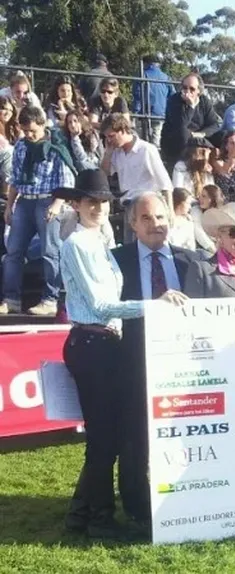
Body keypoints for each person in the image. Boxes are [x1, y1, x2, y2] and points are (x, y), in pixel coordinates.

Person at [59, 170, 187, 539]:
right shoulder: (77, 244)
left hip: (106, 344)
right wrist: (155, 305)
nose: (98, 207)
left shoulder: (100, 241)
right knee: (103, 439)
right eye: (91, 201)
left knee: (109, 437)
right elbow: (101, 306)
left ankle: (81, 514)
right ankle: (99, 519)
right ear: (77, 204)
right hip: (92, 343)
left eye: (102, 201)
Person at [111, 190, 200, 528]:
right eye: (146, 218)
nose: (155, 224)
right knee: (134, 436)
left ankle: (183, 496)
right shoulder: (115, 261)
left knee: (181, 435)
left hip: (183, 366)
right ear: (133, 224)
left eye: (161, 217)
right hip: (132, 362)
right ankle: (136, 505)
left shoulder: (192, 261)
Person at [1, 105, 76, 316]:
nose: (29, 135)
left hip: (47, 200)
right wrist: (9, 206)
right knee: (13, 251)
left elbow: (66, 180)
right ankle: (11, 299)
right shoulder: (21, 146)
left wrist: (57, 204)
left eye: (33, 130)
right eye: (25, 131)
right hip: (24, 201)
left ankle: (50, 299)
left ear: (42, 125)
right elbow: (15, 178)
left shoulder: (56, 146)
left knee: (50, 251)